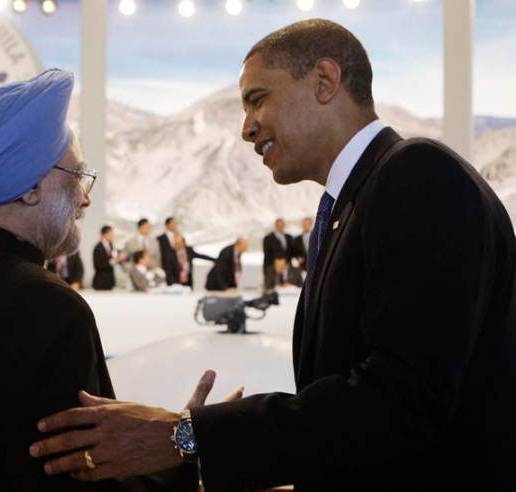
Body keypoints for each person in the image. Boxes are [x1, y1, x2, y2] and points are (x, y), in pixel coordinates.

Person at [29, 20, 516, 492]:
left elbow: (400, 402)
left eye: (258, 99)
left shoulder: (417, 175)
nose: (246, 129)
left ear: (324, 81)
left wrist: (185, 437)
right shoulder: (354, 204)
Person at [0, 69, 198, 491]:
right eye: (77, 176)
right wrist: (182, 453)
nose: (85, 198)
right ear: (29, 187)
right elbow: (81, 481)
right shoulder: (42, 304)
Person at [92, 225, 121, 290]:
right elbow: (97, 265)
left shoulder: (111, 245)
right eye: (111, 233)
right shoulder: (97, 247)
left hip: (110, 281)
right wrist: (110, 262)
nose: (113, 235)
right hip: (100, 281)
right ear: (105, 234)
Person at [157, 216, 179, 285]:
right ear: (167, 225)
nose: (175, 225)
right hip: (166, 267)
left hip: (178, 268)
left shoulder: (179, 236)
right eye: (173, 223)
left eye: (176, 223)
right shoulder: (160, 238)